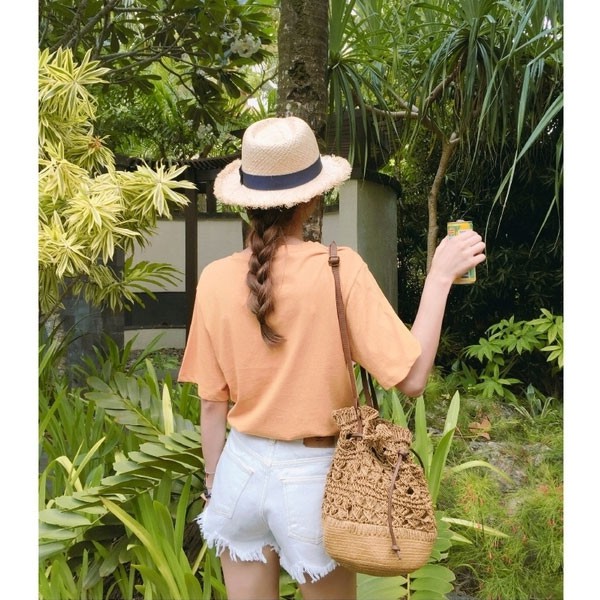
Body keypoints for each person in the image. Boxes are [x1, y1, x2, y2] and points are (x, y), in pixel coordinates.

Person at [178, 115, 486, 600]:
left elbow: (212, 404)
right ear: (314, 198)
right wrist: (439, 278)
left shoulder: (215, 278)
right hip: (314, 481)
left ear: (247, 201)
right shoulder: (340, 269)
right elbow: (412, 379)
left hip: (238, 473)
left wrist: (214, 485)